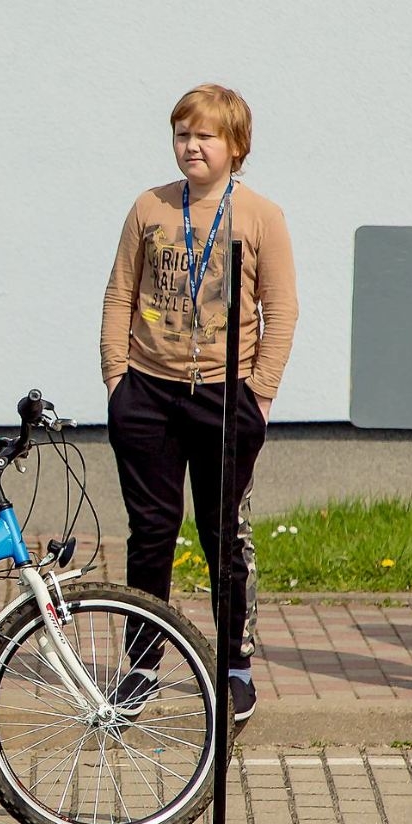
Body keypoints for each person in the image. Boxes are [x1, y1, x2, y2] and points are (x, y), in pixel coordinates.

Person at [100, 83, 299, 725]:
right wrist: (116, 380)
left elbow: (282, 308)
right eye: (182, 134)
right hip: (149, 393)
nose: (190, 146)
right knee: (151, 534)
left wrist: (260, 392)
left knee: (223, 538)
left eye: (205, 136)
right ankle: (142, 663)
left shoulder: (260, 215)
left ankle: (234, 666)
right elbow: (118, 295)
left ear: (235, 147)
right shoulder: (149, 207)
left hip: (225, 395)